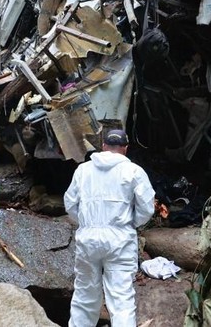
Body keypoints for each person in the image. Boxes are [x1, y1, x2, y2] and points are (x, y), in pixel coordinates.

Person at [64, 129, 155, 327]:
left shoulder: (83, 170)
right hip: (120, 240)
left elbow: (70, 204)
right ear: (125, 148)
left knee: (84, 296)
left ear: (103, 146)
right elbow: (147, 209)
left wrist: (87, 223)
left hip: (88, 239)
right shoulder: (134, 171)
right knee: (121, 300)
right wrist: (131, 223)